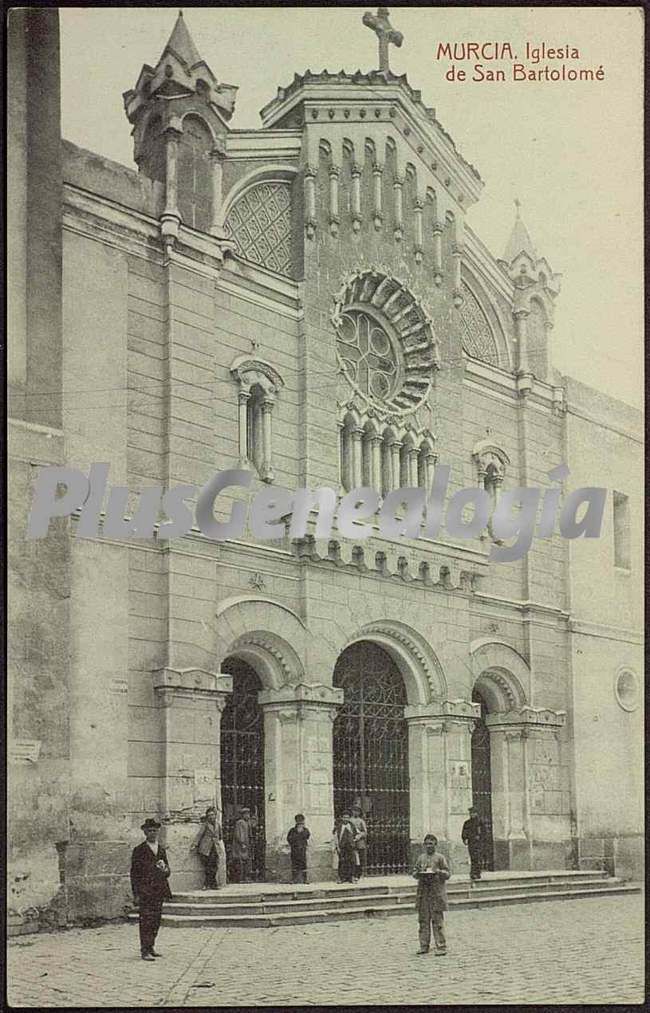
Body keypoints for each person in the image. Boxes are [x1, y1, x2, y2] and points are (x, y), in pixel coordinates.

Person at [130, 818, 172, 961]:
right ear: (145, 832)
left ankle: (151, 946)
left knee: (156, 920)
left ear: (158, 832)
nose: (152, 833)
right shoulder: (139, 850)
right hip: (145, 891)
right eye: (149, 831)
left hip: (158, 891)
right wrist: (136, 894)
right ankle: (144, 950)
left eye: (154, 830)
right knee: (146, 920)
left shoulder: (160, 849)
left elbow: (168, 872)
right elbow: (134, 874)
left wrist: (164, 868)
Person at [413, 833, 450, 956]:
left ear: (435, 844)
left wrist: (438, 872)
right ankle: (424, 945)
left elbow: (448, 874)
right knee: (423, 921)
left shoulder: (440, 858)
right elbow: (414, 872)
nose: (429, 846)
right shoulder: (421, 858)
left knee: (437, 921)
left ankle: (441, 946)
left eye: (431, 843)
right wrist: (418, 873)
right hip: (423, 893)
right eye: (427, 844)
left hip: (436, 893)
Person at [191, 806, 223, 890]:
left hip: (215, 847)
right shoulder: (205, 825)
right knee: (208, 866)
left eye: (212, 815)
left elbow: (220, 836)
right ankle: (211, 884)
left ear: (215, 815)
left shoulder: (218, 825)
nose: (211, 817)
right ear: (207, 817)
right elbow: (199, 835)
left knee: (215, 866)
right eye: (209, 815)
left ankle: (209, 884)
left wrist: (218, 843)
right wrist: (194, 844)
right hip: (205, 848)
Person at [461, 806, 485, 881]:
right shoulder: (467, 823)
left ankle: (477, 873)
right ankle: (473, 873)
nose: (472, 815)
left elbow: (484, 832)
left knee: (478, 858)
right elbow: (464, 831)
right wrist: (464, 839)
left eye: (473, 813)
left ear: (476, 813)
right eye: (471, 813)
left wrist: (481, 838)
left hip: (479, 843)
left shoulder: (480, 822)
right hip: (471, 843)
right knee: (473, 858)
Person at [287, 813, 310, 884]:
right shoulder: (292, 830)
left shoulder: (305, 830)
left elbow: (307, 836)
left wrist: (302, 831)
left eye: (302, 822)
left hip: (302, 850)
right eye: (299, 822)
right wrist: (296, 835)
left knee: (303, 864)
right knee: (294, 864)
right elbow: (289, 839)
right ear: (296, 822)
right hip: (294, 850)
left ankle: (305, 879)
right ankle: (294, 879)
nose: (300, 824)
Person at [232, 806, 253, 882]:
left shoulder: (247, 823)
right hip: (241, 845)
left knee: (245, 861)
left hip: (245, 844)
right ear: (243, 815)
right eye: (246, 814)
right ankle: (241, 878)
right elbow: (239, 834)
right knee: (241, 861)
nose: (248, 816)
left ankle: (245, 877)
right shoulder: (240, 823)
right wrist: (242, 843)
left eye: (248, 814)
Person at [334, 811, 357, 883]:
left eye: (347, 817)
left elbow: (357, 834)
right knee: (342, 862)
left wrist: (354, 840)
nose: (346, 819)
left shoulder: (352, 825)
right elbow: (336, 837)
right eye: (344, 817)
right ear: (342, 818)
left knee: (352, 862)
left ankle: (351, 877)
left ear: (349, 818)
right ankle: (341, 878)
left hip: (350, 847)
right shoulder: (339, 826)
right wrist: (337, 847)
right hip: (342, 847)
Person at [350, 805, 368, 879]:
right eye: (354, 811)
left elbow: (365, 832)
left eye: (357, 811)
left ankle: (359, 874)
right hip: (351, 841)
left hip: (360, 842)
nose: (355, 812)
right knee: (352, 858)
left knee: (360, 858)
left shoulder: (361, 821)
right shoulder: (350, 820)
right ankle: (352, 874)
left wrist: (360, 836)